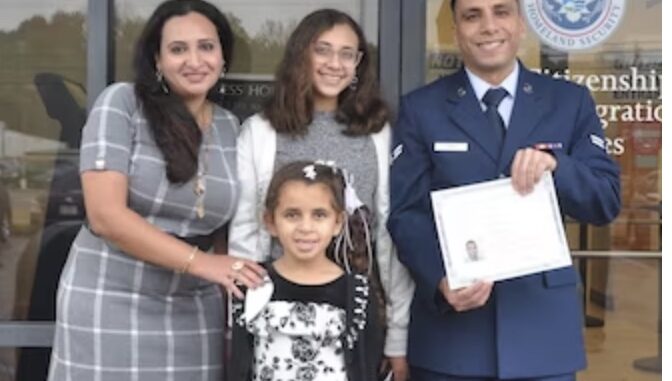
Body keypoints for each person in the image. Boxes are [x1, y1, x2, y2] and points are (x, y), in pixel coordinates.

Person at [387, 0, 621, 380]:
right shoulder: (421, 109)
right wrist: (440, 278)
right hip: (453, 341)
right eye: (472, 15)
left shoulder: (569, 102)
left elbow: (605, 200)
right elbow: (406, 214)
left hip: (543, 336)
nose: (488, 26)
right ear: (454, 30)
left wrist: (558, 168)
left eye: (501, 11)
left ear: (521, 23)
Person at [47, 1, 265, 380]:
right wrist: (205, 264)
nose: (194, 60)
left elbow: (230, 226)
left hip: (193, 306)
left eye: (206, 47)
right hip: (110, 295)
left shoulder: (233, 127)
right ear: (157, 61)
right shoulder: (122, 104)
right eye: (178, 49)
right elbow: (105, 216)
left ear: (223, 57)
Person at [228, 9, 413, 381]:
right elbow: (246, 232)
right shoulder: (262, 131)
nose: (335, 64)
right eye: (323, 50)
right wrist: (241, 319)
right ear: (301, 55)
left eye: (347, 53)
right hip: (278, 311)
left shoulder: (378, 133)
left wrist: (398, 337)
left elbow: (388, 240)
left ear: (359, 63)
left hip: (354, 315)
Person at [228, 161, 383, 381]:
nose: (305, 227)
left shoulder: (356, 292)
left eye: (319, 215)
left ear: (338, 222)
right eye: (292, 215)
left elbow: (366, 365)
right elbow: (239, 362)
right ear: (270, 222)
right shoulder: (252, 282)